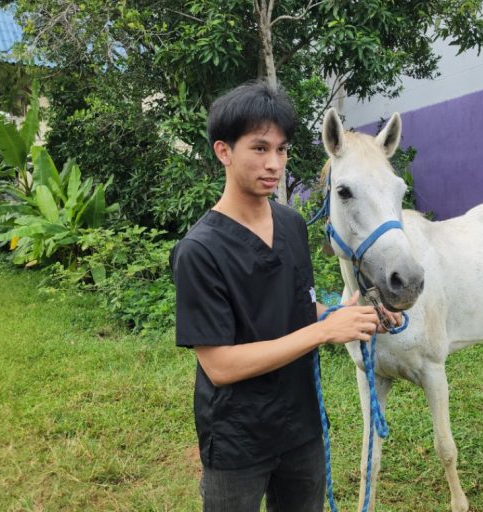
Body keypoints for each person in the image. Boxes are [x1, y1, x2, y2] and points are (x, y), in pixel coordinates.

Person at [170, 81, 399, 512]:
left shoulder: (291, 224)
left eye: (282, 149)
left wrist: (348, 315)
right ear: (223, 151)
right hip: (238, 438)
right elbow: (219, 365)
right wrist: (323, 332)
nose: (274, 163)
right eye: (259, 148)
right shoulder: (199, 251)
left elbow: (299, 307)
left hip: (302, 425)